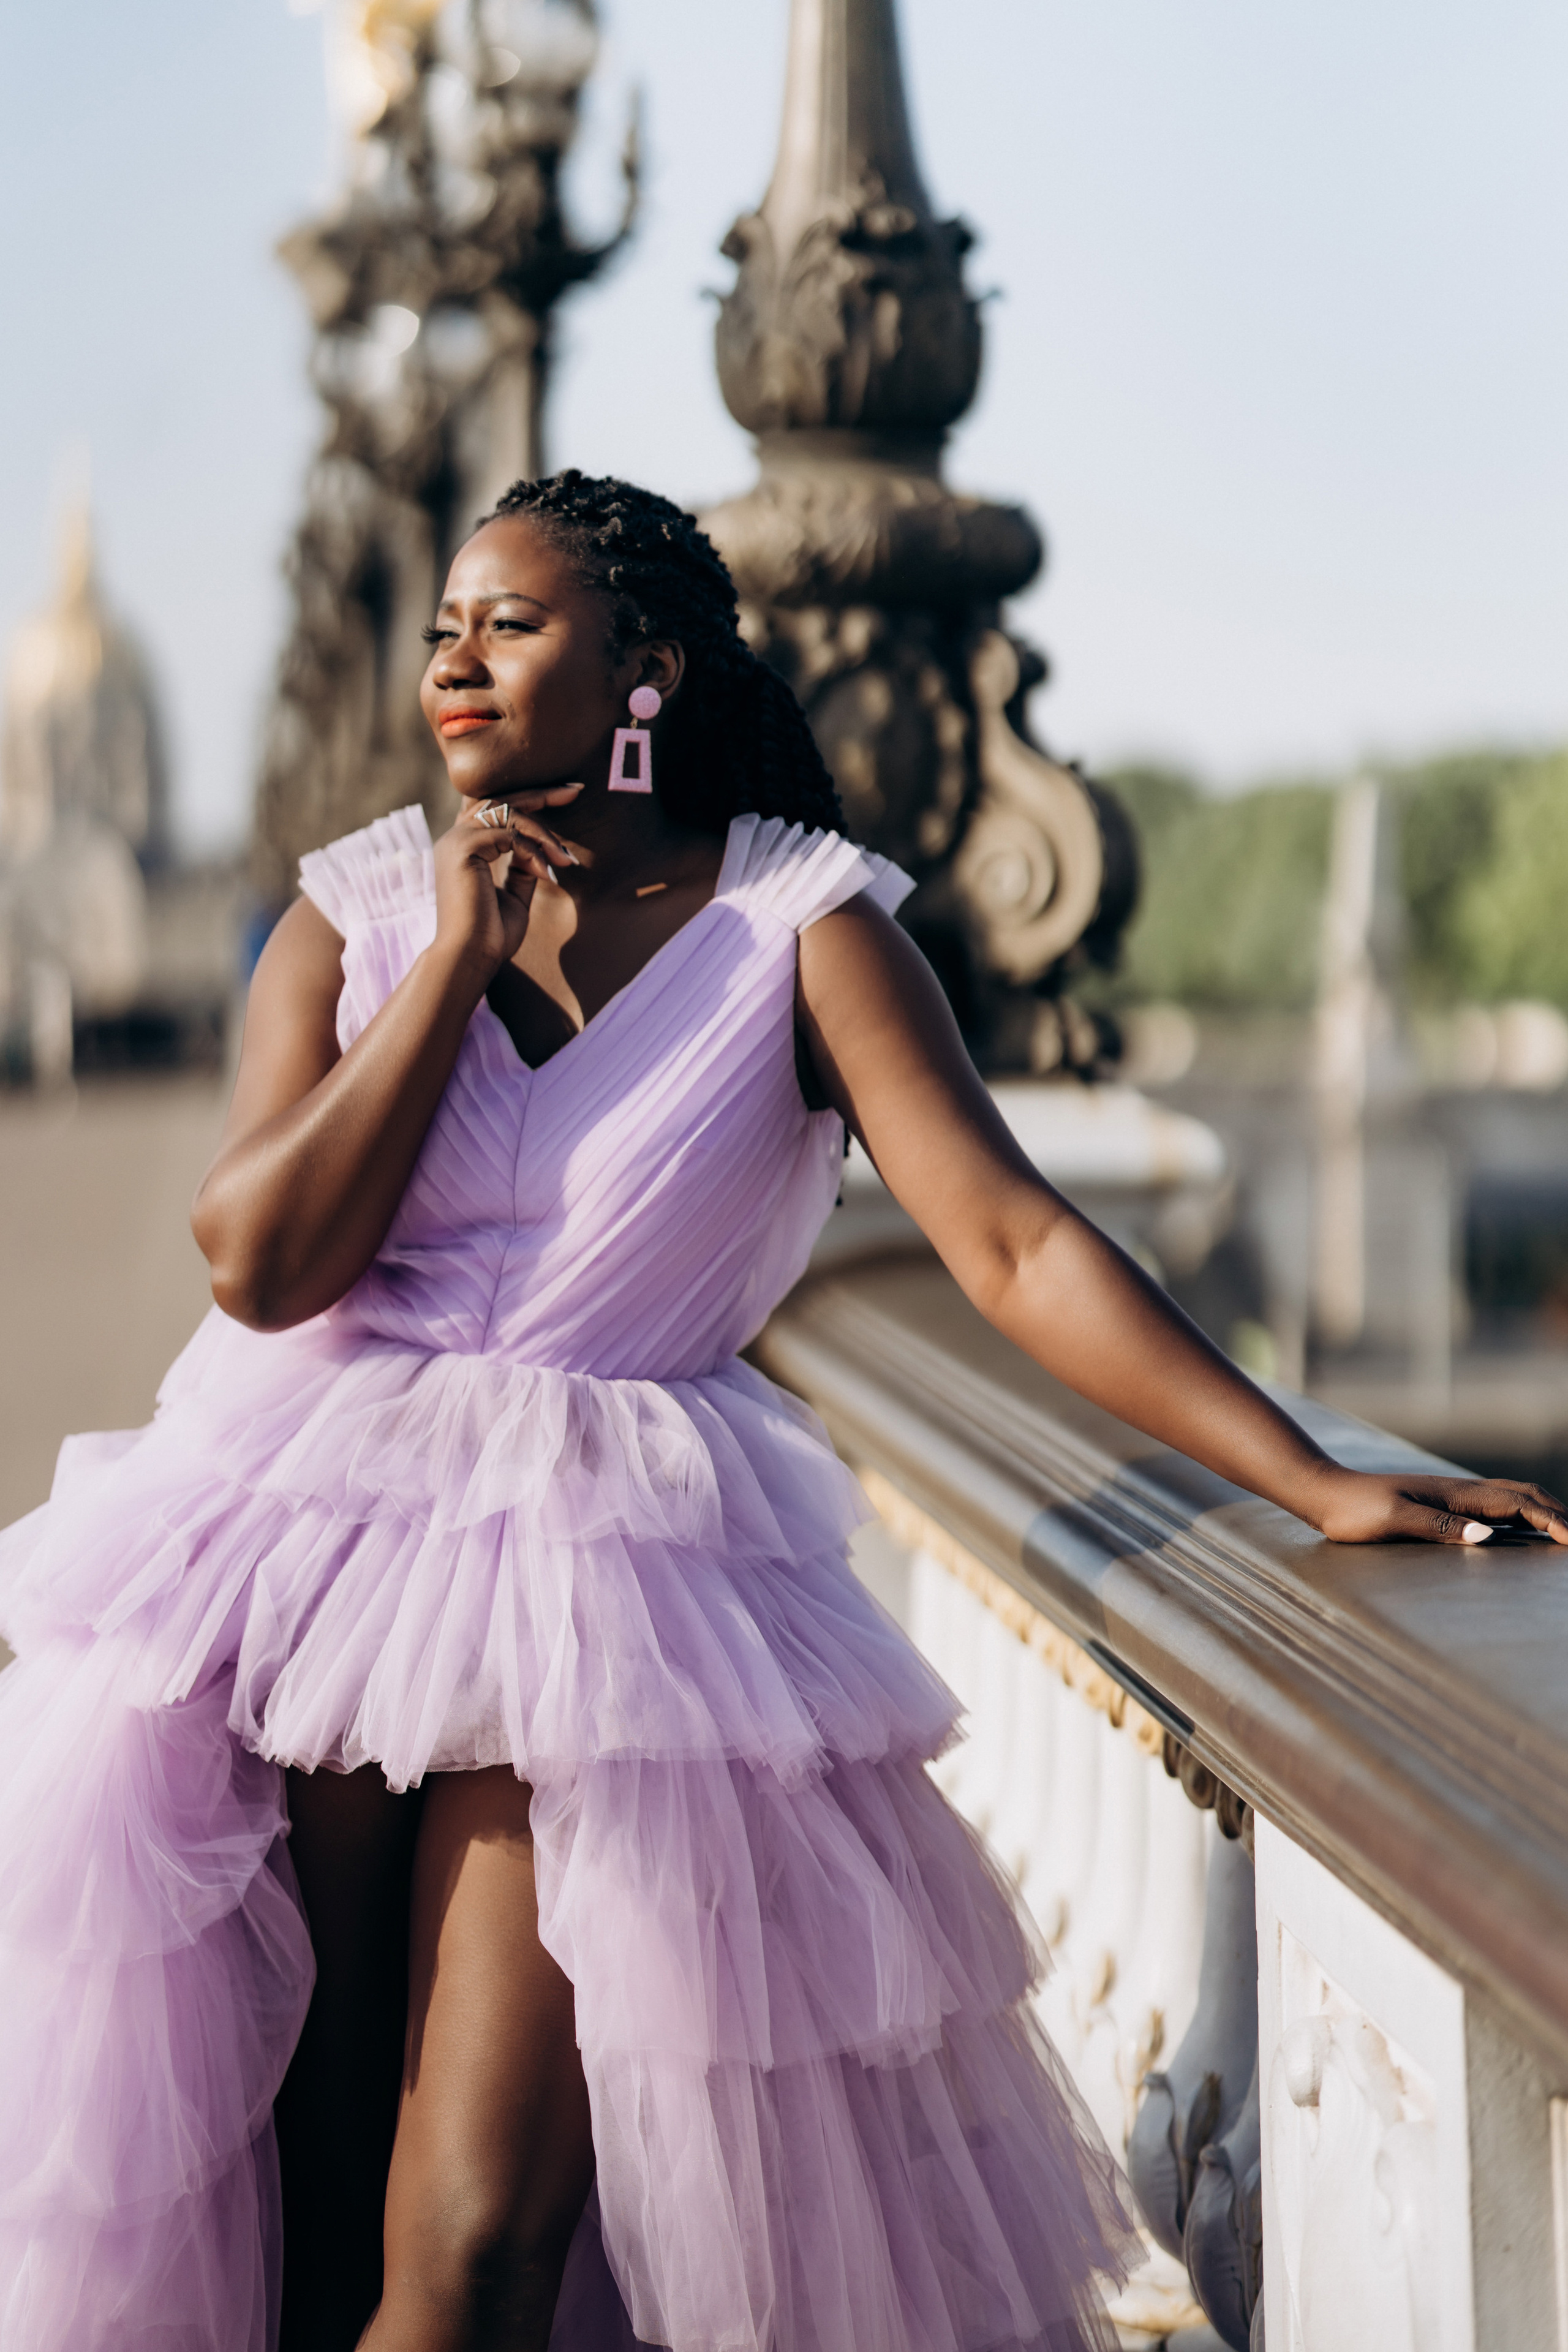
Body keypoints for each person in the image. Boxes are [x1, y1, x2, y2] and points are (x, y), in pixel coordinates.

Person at [0, 472, 1562, 2352]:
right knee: (289, 2223)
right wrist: (451, 978)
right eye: (444, 630)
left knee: (478, 2239)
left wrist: (1311, 1476)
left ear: (645, 663)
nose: (456, 665)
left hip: (597, 1616)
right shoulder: (352, 920)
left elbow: (1008, 1244)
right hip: (282, 1578)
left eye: (511, 625)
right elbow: (259, 1262)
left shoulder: (800, 932)